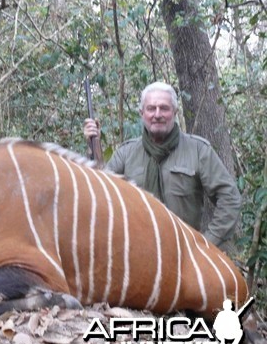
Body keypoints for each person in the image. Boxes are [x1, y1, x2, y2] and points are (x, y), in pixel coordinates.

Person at [83, 81, 240, 252]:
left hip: (185, 256)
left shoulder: (198, 150)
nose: (157, 114)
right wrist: (93, 147)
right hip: (137, 256)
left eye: (164, 108)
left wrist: (206, 244)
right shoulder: (126, 154)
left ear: (174, 112)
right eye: (151, 108)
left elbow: (229, 198)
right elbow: (99, 193)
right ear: (142, 113)